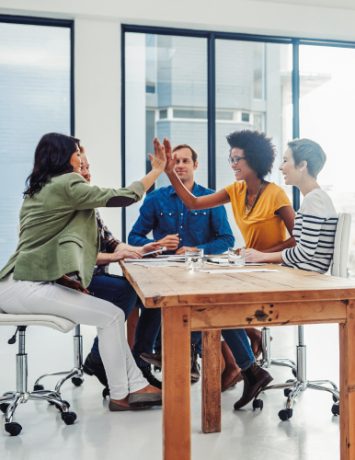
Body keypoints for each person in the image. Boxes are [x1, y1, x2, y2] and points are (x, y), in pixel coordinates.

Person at [0, 132, 166, 412]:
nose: (82, 159)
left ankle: (135, 387)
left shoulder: (42, 187)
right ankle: (122, 393)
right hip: (26, 286)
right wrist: (156, 171)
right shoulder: (67, 183)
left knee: (111, 316)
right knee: (111, 316)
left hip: (16, 283)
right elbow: (122, 197)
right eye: (77, 153)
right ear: (64, 156)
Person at [163, 130, 295, 409]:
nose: (233, 164)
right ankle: (250, 368)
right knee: (212, 300)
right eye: (231, 159)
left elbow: (298, 239)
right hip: (251, 268)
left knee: (218, 303)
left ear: (255, 160)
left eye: (238, 159)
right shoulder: (235, 191)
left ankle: (247, 364)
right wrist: (169, 173)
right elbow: (194, 202)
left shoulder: (275, 194)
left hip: (277, 269)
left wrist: (262, 254)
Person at [128, 143, 235, 384]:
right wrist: (156, 244)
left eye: (185, 161)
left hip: (199, 271)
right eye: (175, 161)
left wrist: (198, 249)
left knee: (197, 297)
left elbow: (227, 239)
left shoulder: (209, 198)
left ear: (195, 165)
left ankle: (188, 354)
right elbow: (133, 237)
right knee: (153, 299)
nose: (179, 165)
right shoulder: (155, 199)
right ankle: (141, 364)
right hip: (164, 269)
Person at [78, 149, 163, 390]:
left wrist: (140, 249)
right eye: (81, 167)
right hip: (75, 279)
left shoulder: (89, 206)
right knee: (126, 290)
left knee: (152, 297)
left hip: (95, 275)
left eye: (88, 166)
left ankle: (139, 362)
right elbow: (76, 257)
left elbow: (112, 240)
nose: (86, 172)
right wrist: (115, 257)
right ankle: (98, 357)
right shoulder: (71, 205)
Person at [245, 138, 338, 271]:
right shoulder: (315, 198)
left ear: (302, 165)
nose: (280, 167)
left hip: (304, 278)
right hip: (299, 275)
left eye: (285, 160)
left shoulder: (314, 200)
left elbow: (304, 252)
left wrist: (262, 256)